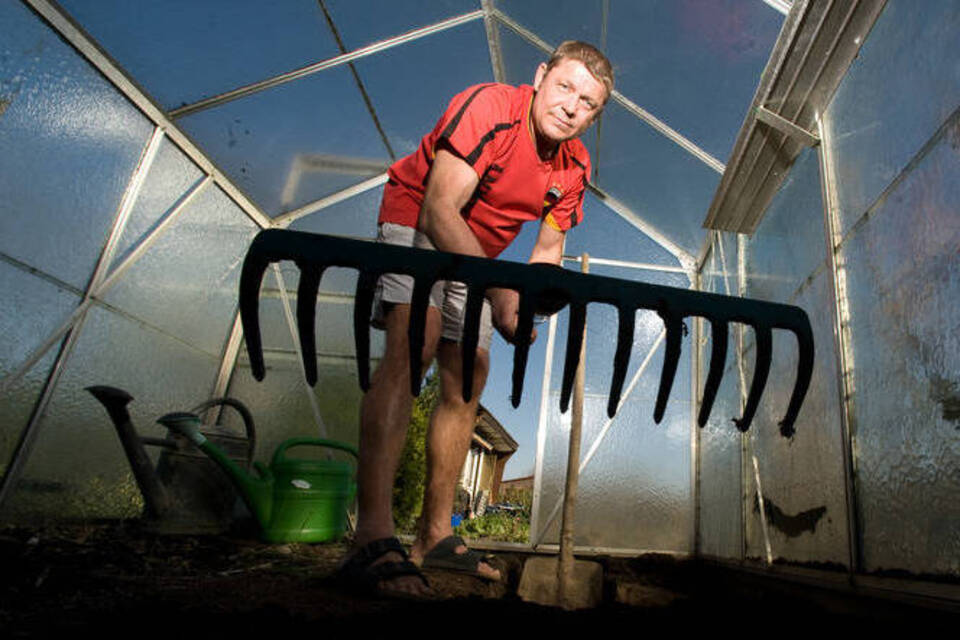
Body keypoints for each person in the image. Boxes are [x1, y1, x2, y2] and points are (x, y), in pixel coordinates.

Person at [337, 41, 613, 598]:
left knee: (470, 372)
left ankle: (435, 535)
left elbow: (547, 252)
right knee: (416, 343)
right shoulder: (490, 107)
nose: (570, 107)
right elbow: (439, 207)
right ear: (540, 76)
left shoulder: (574, 165)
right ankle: (372, 535)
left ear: (594, 115)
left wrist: (525, 300)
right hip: (417, 215)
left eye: (587, 102)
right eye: (564, 87)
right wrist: (497, 287)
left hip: (478, 250)